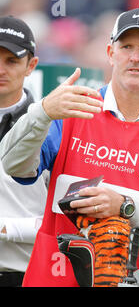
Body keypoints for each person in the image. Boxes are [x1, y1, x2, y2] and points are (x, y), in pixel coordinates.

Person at [0, 8, 139, 287]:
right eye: (126, 46)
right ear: (110, 52)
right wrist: (41, 112)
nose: (135, 57)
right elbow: (13, 165)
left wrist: (125, 208)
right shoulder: (70, 110)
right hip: (56, 278)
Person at [0, 15, 49, 287]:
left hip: (27, 277)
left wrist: (6, 228)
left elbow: (66, 222)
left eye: (11, 60)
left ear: (31, 66)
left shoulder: (54, 128)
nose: (0, 69)